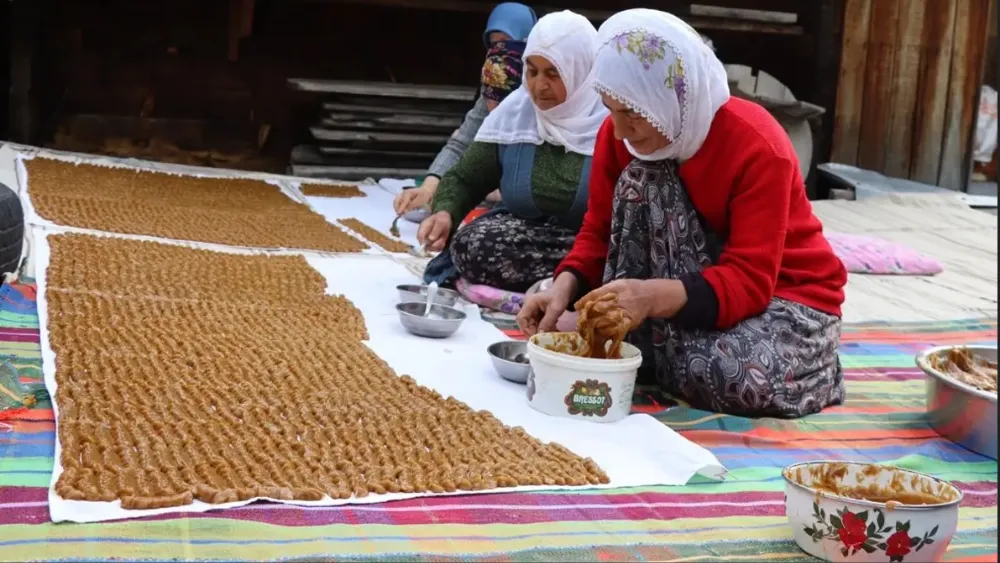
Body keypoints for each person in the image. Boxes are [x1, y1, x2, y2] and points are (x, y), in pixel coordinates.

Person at [517, 9, 849, 419]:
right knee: (643, 177)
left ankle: (817, 369)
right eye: (610, 110)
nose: (618, 130)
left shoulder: (759, 146)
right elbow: (598, 232)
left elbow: (750, 280)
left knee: (727, 375)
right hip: (688, 301)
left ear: (671, 98)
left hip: (784, 299)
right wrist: (562, 288)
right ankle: (656, 346)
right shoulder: (620, 137)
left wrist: (646, 298)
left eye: (632, 113)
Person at [416, 10, 609, 292]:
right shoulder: (516, 114)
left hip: (593, 246)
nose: (539, 86)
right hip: (528, 244)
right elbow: (465, 178)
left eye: (553, 73)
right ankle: (564, 288)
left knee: (617, 261)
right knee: (472, 244)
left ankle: (571, 284)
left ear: (582, 71)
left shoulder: (611, 125)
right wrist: (445, 212)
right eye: (532, 72)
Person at [394, 2, 537, 215]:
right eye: (494, 44)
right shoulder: (493, 87)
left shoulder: (543, 93)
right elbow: (461, 144)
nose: (500, 53)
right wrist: (429, 188)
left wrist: (500, 189)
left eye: (507, 43)